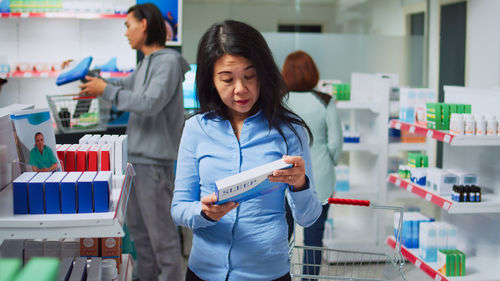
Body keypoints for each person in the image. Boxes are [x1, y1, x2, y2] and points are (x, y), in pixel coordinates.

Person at [171, 20, 322, 281]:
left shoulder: (290, 131)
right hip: (205, 271)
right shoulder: (196, 129)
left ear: (263, 74)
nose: (240, 89)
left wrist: (301, 185)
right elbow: (179, 207)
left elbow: (308, 218)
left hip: (268, 273)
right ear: (211, 81)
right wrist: (203, 212)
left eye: (250, 76)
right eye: (227, 79)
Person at [79, 3, 189, 281]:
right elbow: (125, 88)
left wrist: (106, 91)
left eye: (128, 26)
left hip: (154, 165)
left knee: (162, 240)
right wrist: (95, 81)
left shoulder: (168, 62)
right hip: (136, 162)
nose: (126, 33)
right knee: (141, 239)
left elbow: (150, 103)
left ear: (143, 24)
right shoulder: (146, 64)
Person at [282, 50, 343, 279]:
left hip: (284, 177)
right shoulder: (325, 101)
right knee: (314, 239)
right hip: (321, 178)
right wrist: (330, 163)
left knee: (283, 234)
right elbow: (336, 143)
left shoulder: (279, 100)